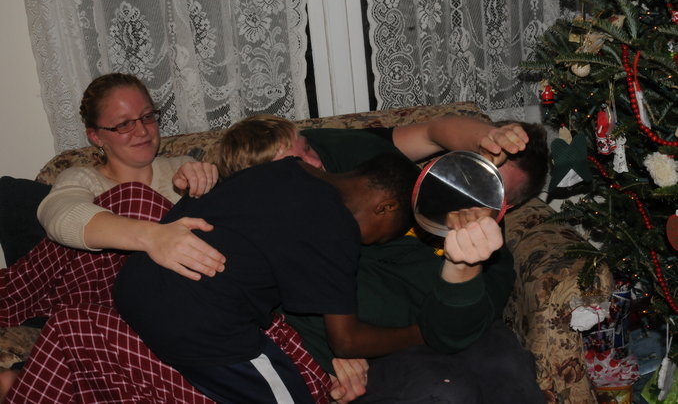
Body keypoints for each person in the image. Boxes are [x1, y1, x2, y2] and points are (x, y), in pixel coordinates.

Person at [112, 133, 442, 402]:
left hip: (136, 282)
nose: (380, 242)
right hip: (196, 321)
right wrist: (426, 333)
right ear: (386, 207)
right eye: (394, 231)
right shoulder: (335, 226)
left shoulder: (286, 168)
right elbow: (346, 341)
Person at [280, 117, 549, 402]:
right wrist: (321, 352)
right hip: (379, 347)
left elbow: (458, 332)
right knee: (444, 391)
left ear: (507, 206)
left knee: (508, 372)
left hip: (451, 332)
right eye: (470, 170)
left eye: (491, 188)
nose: (467, 193)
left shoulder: (495, 262)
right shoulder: (384, 175)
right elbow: (432, 131)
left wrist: (464, 268)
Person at [36, 72, 225, 280]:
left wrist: (206, 186)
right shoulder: (81, 178)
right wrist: (153, 236)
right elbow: (59, 215)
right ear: (96, 137)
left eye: (147, 117)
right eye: (124, 124)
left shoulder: (184, 167)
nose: (142, 131)